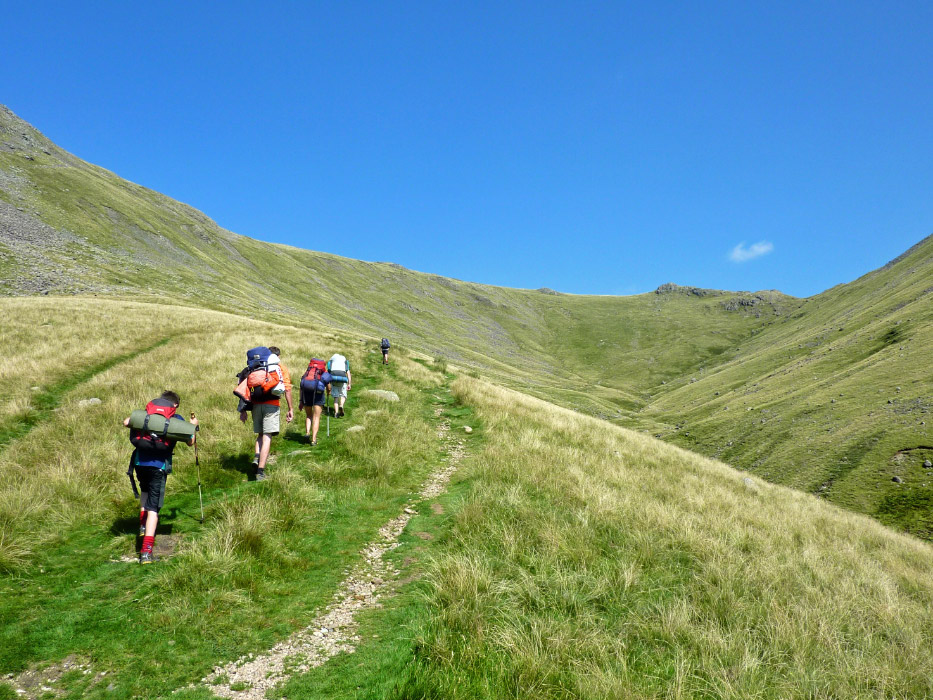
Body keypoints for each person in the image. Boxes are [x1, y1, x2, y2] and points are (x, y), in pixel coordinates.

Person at [123, 391, 198, 564]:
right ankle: (146, 551)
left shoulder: (146, 415)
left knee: (145, 491)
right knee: (154, 509)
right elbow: (190, 441)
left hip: (139, 462)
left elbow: (126, 422)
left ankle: (142, 525)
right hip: (158, 466)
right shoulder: (175, 418)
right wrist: (194, 425)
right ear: (175, 405)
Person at [240, 345, 293, 481]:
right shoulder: (278, 367)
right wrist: (290, 408)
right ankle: (260, 472)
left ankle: (256, 457)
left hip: (256, 405)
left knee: (260, 434)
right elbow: (286, 389)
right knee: (267, 437)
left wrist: (243, 410)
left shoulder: (255, 367)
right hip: (272, 404)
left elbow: (244, 387)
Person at [298, 359, 331, 445]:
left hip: (307, 393)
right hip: (318, 395)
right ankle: (313, 440)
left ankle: (307, 432)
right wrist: (328, 392)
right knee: (316, 417)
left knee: (309, 415)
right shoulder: (324, 373)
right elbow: (329, 387)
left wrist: (301, 400)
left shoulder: (308, 373)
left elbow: (301, 387)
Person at [327, 353, 352, 417]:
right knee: (343, 395)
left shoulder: (332, 360)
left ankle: (336, 412)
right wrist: (349, 384)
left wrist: (328, 383)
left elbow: (328, 370)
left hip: (334, 377)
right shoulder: (344, 361)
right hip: (342, 377)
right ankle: (341, 405)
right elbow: (348, 373)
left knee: (336, 397)